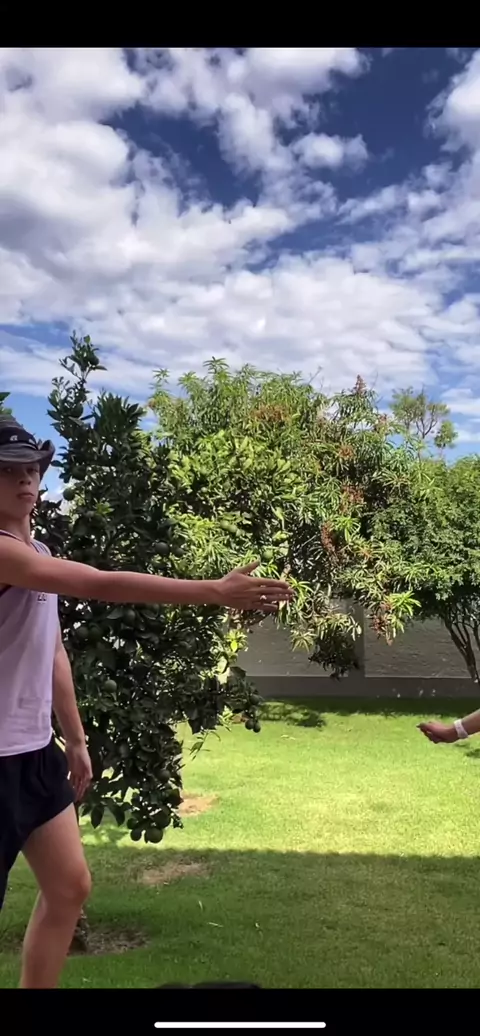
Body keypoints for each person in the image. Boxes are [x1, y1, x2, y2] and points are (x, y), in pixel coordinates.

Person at [0, 416, 293, 989]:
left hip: (34, 754)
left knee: (69, 888)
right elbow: (98, 583)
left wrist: (75, 739)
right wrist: (213, 592)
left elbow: (51, 647)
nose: (25, 480)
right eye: (8, 472)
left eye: (31, 468)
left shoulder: (38, 549)